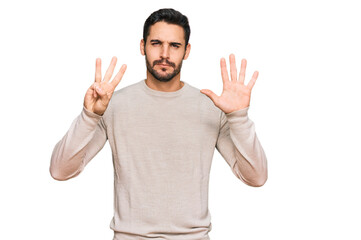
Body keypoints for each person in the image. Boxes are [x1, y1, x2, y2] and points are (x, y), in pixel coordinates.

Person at [50, 8, 268, 240]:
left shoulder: (212, 107)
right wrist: (89, 116)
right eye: (156, 43)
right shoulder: (112, 104)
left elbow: (256, 177)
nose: (165, 54)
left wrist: (238, 117)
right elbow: (60, 170)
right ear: (142, 46)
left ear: (187, 51)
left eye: (175, 45)